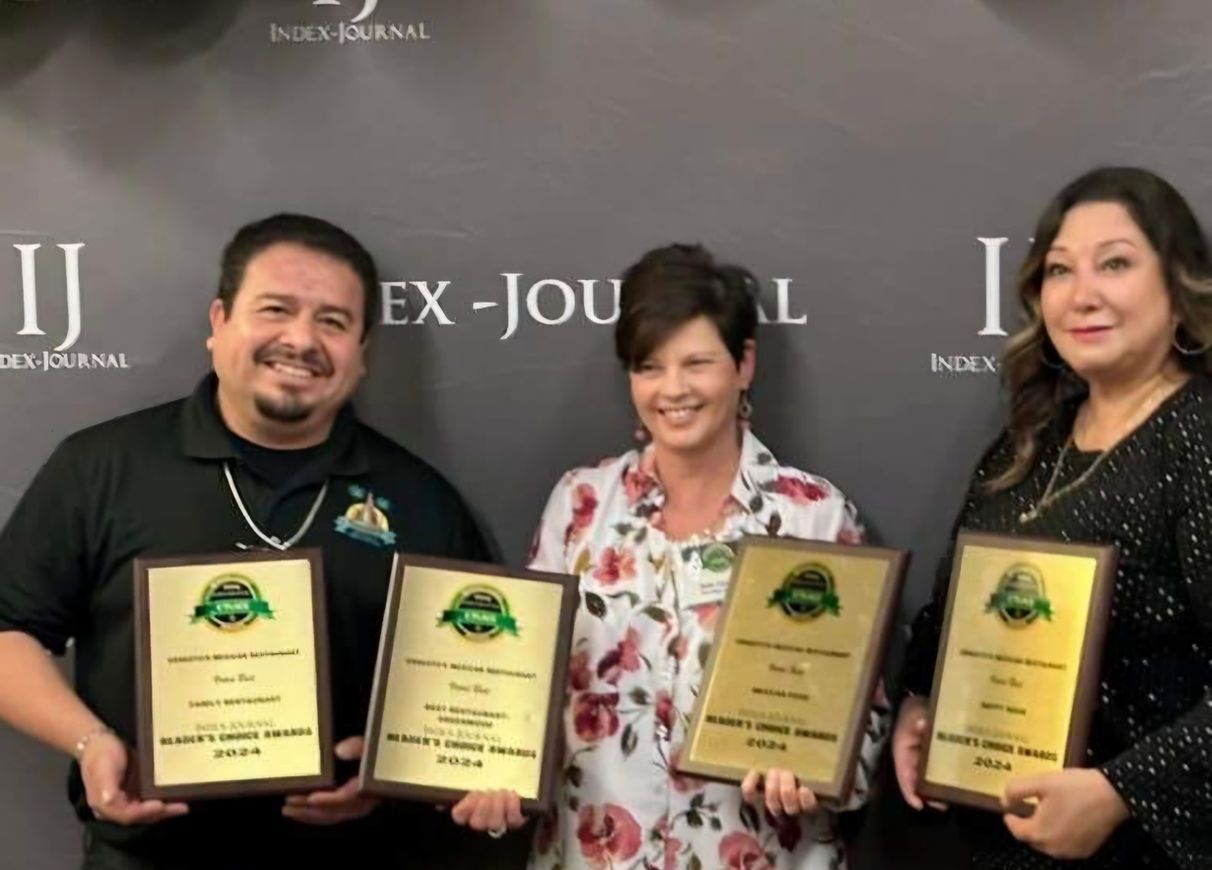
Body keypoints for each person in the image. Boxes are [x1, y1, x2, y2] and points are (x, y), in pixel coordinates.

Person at [0, 214, 505, 869]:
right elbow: (10, 633)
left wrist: (389, 773)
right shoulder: (100, 467)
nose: (301, 339)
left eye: (333, 321)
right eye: (276, 309)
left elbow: (472, 693)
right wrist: (90, 742)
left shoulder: (421, 499)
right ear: (219, 322)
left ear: (361, 350)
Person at [451, 243, 887, 869]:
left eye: (698, 363)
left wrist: (818, 770)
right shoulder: (578, 504)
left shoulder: (812, 514)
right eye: (649, 366)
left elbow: (863, 724)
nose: (673, 389)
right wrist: (494, 775)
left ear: (744, 365)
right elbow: (520, 690)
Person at [893, 167, 1212, 869]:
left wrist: (1121, 791)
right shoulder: (1027, 442)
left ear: (1180, 288)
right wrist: (921, 704)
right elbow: (952, 607)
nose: (1082, 293)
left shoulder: (1198, 436)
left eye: (1116, 264)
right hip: (996, 846)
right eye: (1060, 271)